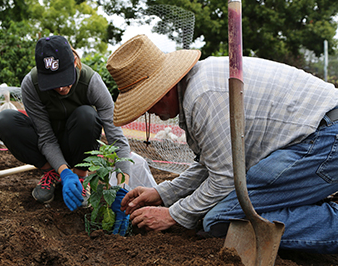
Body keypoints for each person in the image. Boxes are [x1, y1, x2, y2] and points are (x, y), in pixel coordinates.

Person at [106, 34, 338, 253]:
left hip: (325, 140)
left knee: (219, 220)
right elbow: (213, 165)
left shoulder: (203, 96)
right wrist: (163, 193)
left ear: (163, 91)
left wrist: (172, 215)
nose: (150, 112)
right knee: (220, 211)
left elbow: (224, 179)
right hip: (316, 136)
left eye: (147, 103)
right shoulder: (197, 86)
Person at [0, 35, 132, 235]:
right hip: (47, 146)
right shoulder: (31, 86)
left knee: (87, 115)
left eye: (64, 78)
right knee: (5, 120)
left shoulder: (91, 82)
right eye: (52, 82)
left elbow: (116, 138)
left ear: (75, 62)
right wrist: (63, 172)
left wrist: (122, 188)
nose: (60, 87)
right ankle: (54, 171)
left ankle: (81, 176)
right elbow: (46, 137)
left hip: (77, 141)